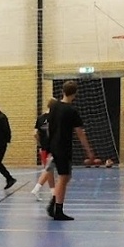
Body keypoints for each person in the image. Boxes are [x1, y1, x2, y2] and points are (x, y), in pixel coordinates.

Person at [46, 81, 96, 221]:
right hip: (63, 147)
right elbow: (80, 133)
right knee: (63, 177)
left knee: (66, 177)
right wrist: (89, 151)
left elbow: (49, 127)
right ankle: (58, 210)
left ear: (63, 91)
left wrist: (49, 146)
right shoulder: (71, 111)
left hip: (55, 146)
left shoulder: (54, 107)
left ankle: (53, 204)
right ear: (75, 93)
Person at [31, 99, 56, 201]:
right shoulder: (55, 118)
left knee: (49, 171)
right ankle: (36, 188)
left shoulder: (40, 118)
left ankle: (53, 193)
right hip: (52, 148)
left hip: (43, 148)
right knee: (49, 170)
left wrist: (40, 143)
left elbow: (35, 133)